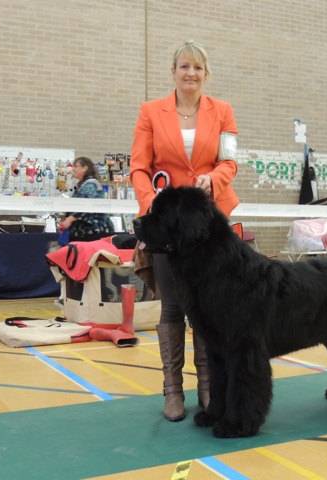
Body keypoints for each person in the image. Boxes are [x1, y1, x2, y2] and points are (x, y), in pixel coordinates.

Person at [130, 41, 239, 422]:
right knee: (173, 307)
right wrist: (151, 204)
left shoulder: (223, 111)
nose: (190, 73)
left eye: (197, 67)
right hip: (167, 227)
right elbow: (139, 167)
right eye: (184, 66)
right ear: (173, 71)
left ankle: (208, 385)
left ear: (206, 74)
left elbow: (230, 162)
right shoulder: (150, 112)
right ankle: (172, 390)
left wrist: (215, 179)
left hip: (210, 226)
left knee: (210, 308)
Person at [59, 156, 114, 241]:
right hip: (83, 234)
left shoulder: (91, 185)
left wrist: (69, 220)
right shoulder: (82, 185)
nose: (73, 169)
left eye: (76, 166)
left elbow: (88, 207)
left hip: (94, 233)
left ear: (85, 168)